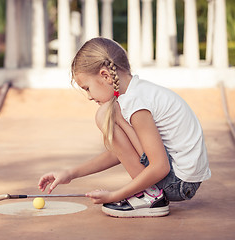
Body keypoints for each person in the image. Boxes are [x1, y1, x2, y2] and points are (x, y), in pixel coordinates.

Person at [38, 37, 211, 218]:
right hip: (182, 178)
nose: (88, 96)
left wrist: (116, 195)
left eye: (87, 88)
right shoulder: (137, 93)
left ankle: (151, 196)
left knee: (105, 114)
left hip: (178, 182)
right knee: (109, 112)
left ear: (105, 75)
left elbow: (160, 166)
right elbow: (122, 152)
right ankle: (150, 193)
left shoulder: (135, 103)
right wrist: (71, 173)